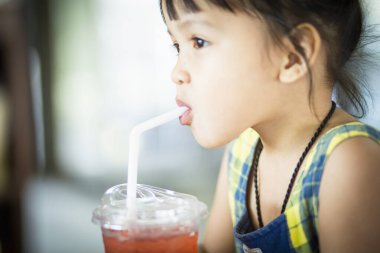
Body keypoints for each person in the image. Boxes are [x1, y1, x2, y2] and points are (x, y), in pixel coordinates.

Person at [159, 0, 380, 252]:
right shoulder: (242, 151)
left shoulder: (349, 162)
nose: (176, 73)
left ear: (293, 55)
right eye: (177, 46)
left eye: (199, 41)